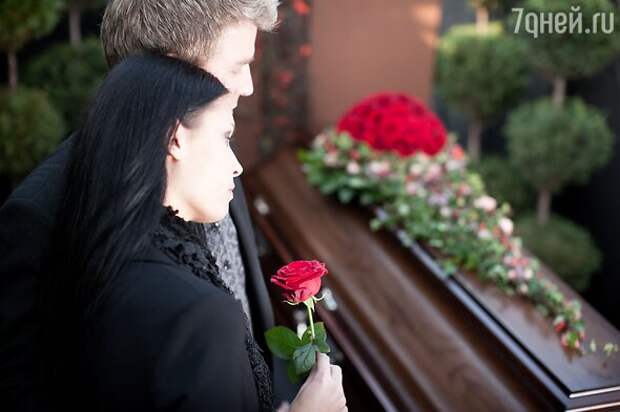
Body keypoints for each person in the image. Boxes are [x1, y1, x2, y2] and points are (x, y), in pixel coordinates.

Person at [0, 0, 346, 411]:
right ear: (172, 70)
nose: (249, 86)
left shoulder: (210, 148)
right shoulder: (38, 214)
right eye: (238, 66)